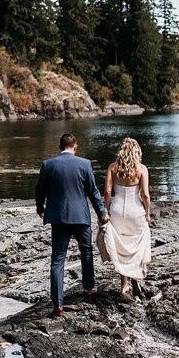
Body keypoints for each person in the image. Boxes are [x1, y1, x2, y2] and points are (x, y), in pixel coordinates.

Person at [36, 132, 110, 316]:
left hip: (58, 218)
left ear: (60, 147)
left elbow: (40, 189)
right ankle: (88, 287)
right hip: (80, 217)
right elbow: (93, 192)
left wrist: (40, 206)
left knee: (58, 258)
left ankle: (58, 303)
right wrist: (102, 214)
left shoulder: (48, 164)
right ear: (75, 147)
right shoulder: (84, 164)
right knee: (86, 251)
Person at [98, 137, 153, 298]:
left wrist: (106, 211)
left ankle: (124, 285)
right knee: (136, 243)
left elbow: (107, 192)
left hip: (117, 210)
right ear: (137, 152)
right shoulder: (141, 169)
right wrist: (147, 213)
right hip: (135, 211)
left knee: (120, 245)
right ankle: (134, 277)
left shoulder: (113, 168)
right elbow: (145, 194)